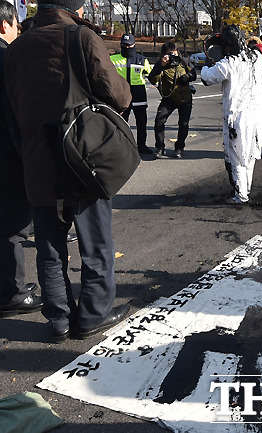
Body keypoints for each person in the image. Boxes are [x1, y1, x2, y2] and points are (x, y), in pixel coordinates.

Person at [4, 0, 132, 342]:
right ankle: (93, 313)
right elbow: (118, 95)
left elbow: (12, 110)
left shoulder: (16, 49)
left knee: (49, 244)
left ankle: (58, 319)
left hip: (36, 160)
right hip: (82, 157)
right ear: (73, 7)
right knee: (95, 242)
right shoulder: (79, 36)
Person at [0, 0, 42, 318]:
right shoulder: (6, 58)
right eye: (16, 24)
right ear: (5, 24)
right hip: (8, 156)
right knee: (12, 226)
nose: (17, 30)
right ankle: (13, 292)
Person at [201, 25, 262, 204]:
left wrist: (209, 60)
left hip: (237, 116)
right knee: (250, 155)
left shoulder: (228, 63)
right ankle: (247, 188)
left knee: (236, 156)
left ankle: (241, 195)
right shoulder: (257, 57)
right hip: (257, 115)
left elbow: (207, 77)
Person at [148, 41, 196, 159]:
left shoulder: (184, 61)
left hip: (185, 98)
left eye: (174, 53)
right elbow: (152, 79)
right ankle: (160, 147)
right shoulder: (162, 64)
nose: (173, 56)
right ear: (164, 54)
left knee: (183, 124)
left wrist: (187, 77)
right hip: (168, 98)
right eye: (170, 54)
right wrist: (161, 65)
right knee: (159, 121)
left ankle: (179, 148)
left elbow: (193, 75)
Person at [110, 33, 154, 155]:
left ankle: (142, 146)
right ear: (121, 45)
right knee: (121, 123)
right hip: (122, 94)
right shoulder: (113, 59)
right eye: (124, 45)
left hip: (138, 93)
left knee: (141, 122)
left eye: (129, 45)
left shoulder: (142, 60)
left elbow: (152, 75)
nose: (127, 47)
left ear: (134, 44)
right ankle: (121, 147)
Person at [247, 35, 262, 157]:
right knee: (261, 120)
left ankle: (261, 145)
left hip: (255, 93)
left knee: (257, 120)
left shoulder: (257, 57)